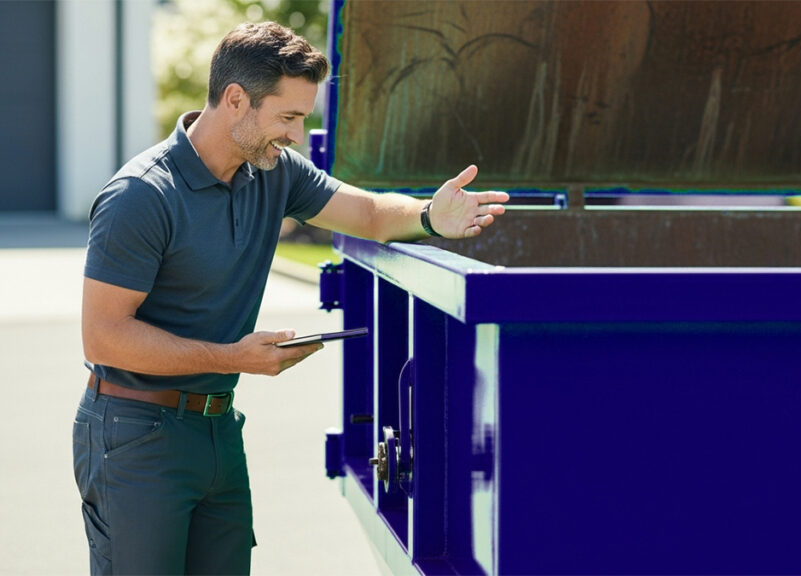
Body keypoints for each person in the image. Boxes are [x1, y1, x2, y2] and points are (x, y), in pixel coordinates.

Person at [72, 21, 508, 575]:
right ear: (235, 100)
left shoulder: (273, 172)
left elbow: (369, 214)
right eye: (289, 117)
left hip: (218, 428)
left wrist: (429, 216)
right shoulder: (141, 196)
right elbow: (104, 336)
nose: (298, 135)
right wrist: (234, 358)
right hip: (133, 434)